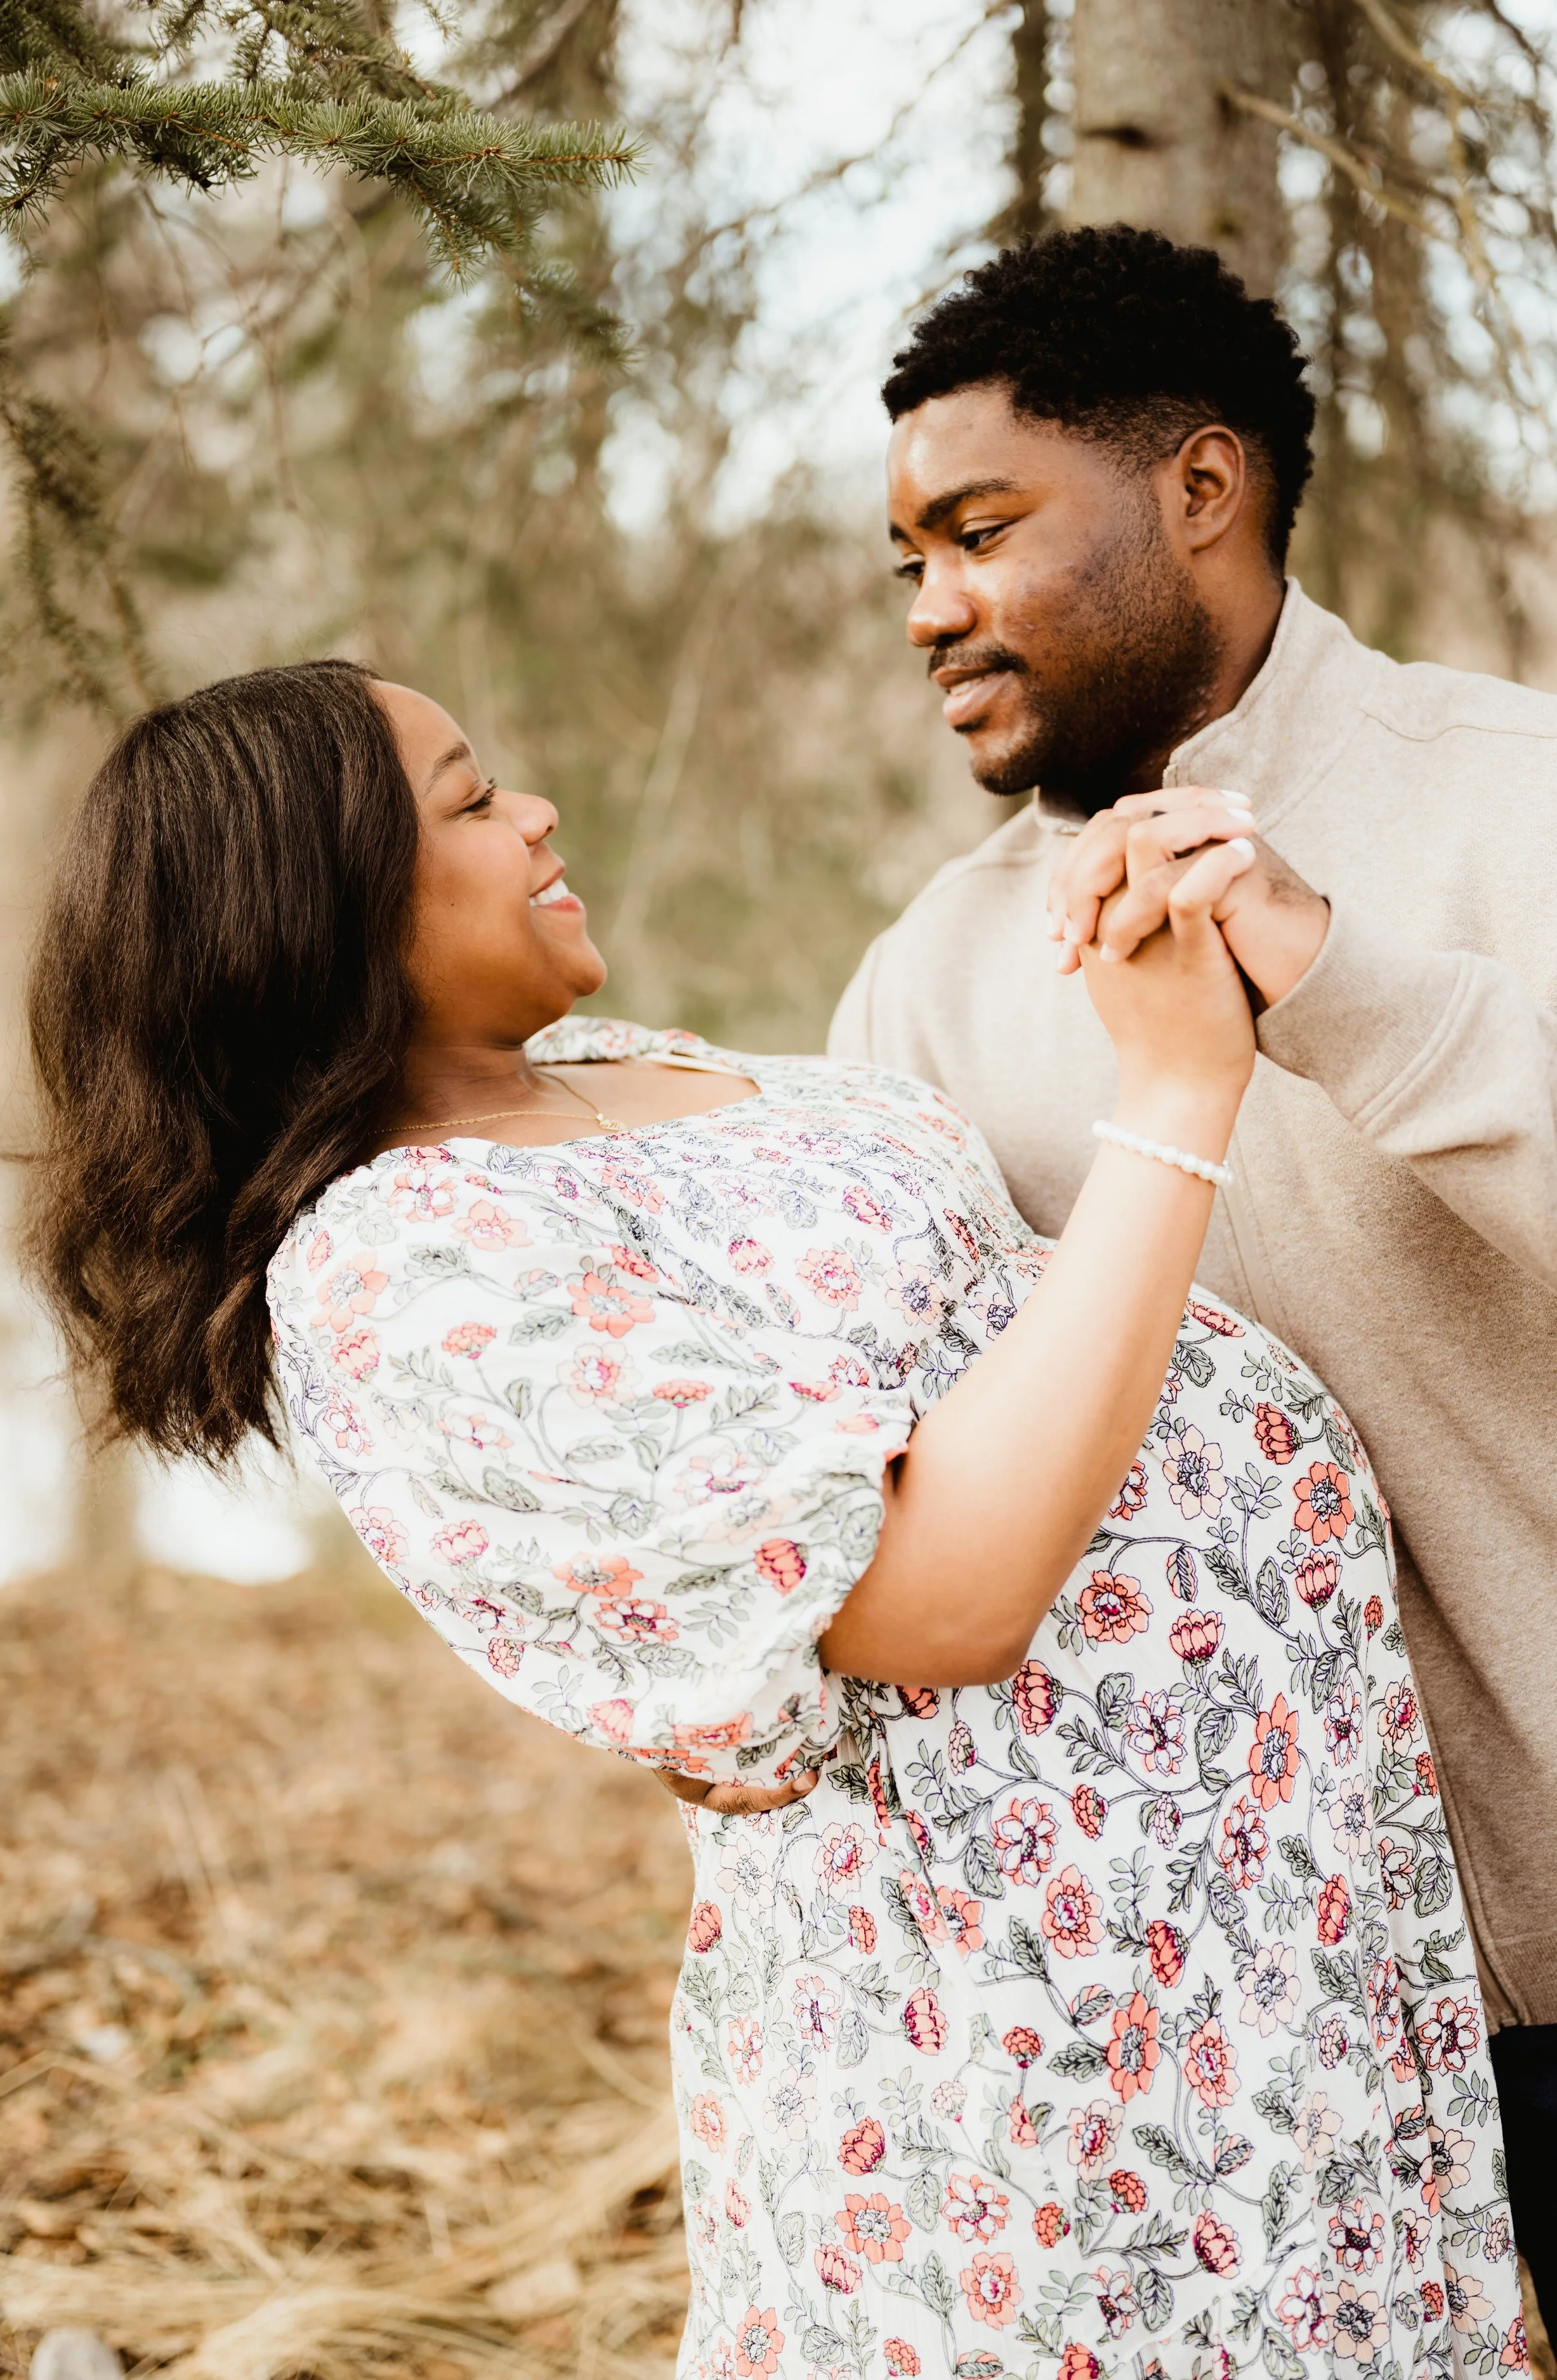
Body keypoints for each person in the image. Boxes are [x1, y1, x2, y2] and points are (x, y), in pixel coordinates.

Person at [25, 659, 1518, 2377]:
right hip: (1035, 2049)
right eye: (467, 798)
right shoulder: (398, 1270)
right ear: (316, 906)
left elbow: (974, 1319)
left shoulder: (607, 1065)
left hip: (1248, 1941)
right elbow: (938, 1599)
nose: (536, 811)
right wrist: (1174, 1094)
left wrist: (1135, 963)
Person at [827, 224, 1557, 2318]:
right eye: (906, 560)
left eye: (978, 530)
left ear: (1200, 490)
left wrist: (1347, 988)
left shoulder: (1511, 804)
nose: (931, 608)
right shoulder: (932, 981)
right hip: (1264, 2051)